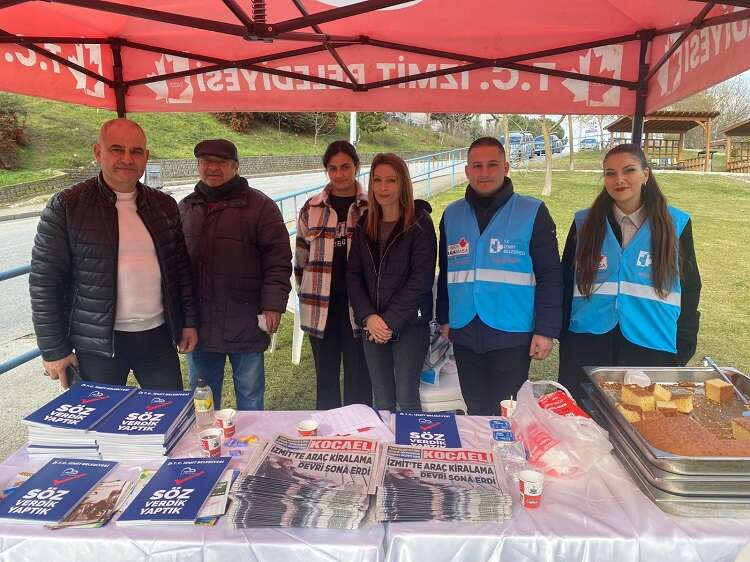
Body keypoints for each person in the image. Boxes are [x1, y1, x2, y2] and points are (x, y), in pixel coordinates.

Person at [30, 118, 197, 390]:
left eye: (136, 151)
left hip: (158, 338)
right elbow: (45, 282)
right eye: (117, 149)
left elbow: (181, 269)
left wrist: (188, 322)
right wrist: (54, 349)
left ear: (146, 157)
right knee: (99, 417)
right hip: (97, 345)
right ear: (98, 152)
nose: (127, 159)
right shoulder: (67, 206)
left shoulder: (164, 205)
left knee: (168, 413)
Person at [558, 143, 701, 401]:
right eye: (610, 173)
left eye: (629, 170)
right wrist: (565, 338)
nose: (619, 179)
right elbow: (565, 283)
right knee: (582, 418)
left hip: (651, 345)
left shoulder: (676, 224)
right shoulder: (584, 223)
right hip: (587, 343)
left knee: (640, 417)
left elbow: (690, 288)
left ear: (646, 174)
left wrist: (683, 345)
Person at [436, 137, 562, 415]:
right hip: (465, 329)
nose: (484, 173)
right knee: (475, 407)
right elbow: (446, 271)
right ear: (467, 171)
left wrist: (545, 330)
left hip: (512, 332)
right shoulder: (452, 214)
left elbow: (551, 275)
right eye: (477, 166)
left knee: (509, 411)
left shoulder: (533, 212)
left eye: (492, 165)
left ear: (505, 168)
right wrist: (444, 317)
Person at [179, 139, 292, 411]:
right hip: (201, 325)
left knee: (250, 397)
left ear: (236, 167)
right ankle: (206, 439)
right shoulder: (186, 208)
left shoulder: (261, 207)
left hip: (247, 321)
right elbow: (176, 267)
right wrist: (180, 318)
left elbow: (278, 260)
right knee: (203, 401)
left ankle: (252, 440)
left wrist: (273, 305)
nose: (212, 168)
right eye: (206, 162)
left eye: (220, 163)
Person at [347, 153, 437, 412]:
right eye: (377, 180)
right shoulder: (364, 225)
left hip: (409, 324)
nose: (383, 188)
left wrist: (388, 322)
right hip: (373, 325)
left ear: (403, 184)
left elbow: (421, 279)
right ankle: (385, 440)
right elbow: (353, 275)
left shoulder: (419, 223)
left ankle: (409, 441)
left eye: (391, 180)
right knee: (382, 398)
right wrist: (368, 317)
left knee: (406, 396)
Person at [295, 140, 372, 409]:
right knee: (325, 378)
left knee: (359, 379)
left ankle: (358, 430)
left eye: (345, 167)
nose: (339, 174)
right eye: (333, 168)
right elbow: (300, 259)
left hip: (359, 308)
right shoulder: (311, 208)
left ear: (356, 167)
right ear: (327, 170)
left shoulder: (371, 207)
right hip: (320, 308)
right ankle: (328, 430)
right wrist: (308, 292)